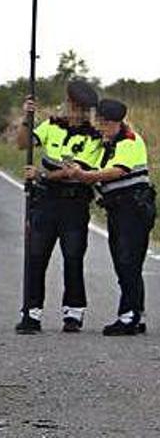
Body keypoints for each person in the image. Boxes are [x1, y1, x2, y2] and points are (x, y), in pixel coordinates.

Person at [15, 81, 102, 334]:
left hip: (74, 204)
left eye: (80, 108)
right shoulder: (51, 126)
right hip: (45, 203)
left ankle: (73, 313)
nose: (73, 111)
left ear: (87, 111)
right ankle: (31, 313)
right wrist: (27, 117)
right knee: (36, 256)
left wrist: (41, 175)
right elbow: (23, 143)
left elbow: (74, 172)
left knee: (73, 256)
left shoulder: (93, 138)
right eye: (71, 106)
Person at [65, 99, 155, 336]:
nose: (101, 127)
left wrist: (85, 176)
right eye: (100, 123)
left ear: (116, 123)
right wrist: (74, 168)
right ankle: (137, 313)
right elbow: (87, 162)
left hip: (134, 207)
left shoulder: (129, 140)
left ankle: (129, 316)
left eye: (105, 124)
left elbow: (117, 171)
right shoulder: (106, 143)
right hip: (118, 209)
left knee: (128, 262)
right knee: (124, 262)